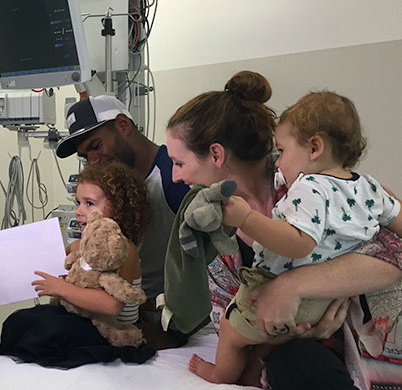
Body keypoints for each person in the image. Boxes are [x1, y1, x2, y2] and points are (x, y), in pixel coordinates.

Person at [165, 70, 402, 389]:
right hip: (294, 350)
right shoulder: (213, 226)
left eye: (179, 163)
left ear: (216, 155)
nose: (176, 177)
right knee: (295, 364)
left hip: (366, 340)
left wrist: (290, 286)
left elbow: (392, 257)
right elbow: (235, 337)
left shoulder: (314, 186)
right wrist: (288, 334)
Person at [0, 161, 154, 368]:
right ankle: (1, 354)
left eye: (89, 203)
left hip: (111, 331)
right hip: (79, 319)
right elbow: (34, 273)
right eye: (77, 202)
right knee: (21, 320)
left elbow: (113, 305)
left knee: (50, 328)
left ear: (119, 209)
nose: (79, 211)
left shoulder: (125, 249)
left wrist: (62, 288)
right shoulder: (77, 246)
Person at [56, 94, 190, 348]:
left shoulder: (175, 178)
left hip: (157, 316)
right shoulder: (104, 187)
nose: (93, 160)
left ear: (123, 125)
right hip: (112, 307)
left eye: (96, 146)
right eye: (85, 156)